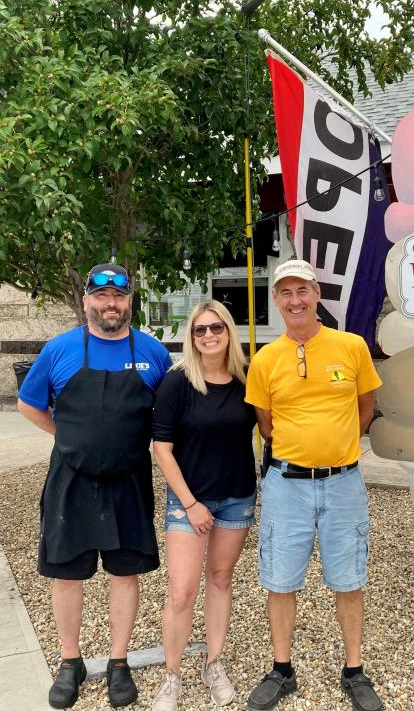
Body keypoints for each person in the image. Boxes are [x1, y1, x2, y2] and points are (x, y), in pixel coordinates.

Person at [17, 263, 172, 709]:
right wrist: (67, 437)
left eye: (119, 297)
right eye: (101, 297)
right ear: (87, 301)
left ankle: (119, 661)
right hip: (71, 479)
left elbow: (166, 416)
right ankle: (71, 662)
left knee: (124, 572)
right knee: (66, 575)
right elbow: (29, 405)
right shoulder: (59, 350)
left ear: (129, 302)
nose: (110, 305)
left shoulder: (153, 353)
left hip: (129, 480)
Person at [244, 259, 383, 711]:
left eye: (302, 290)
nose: (295, 300)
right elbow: (266, 425)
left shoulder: (352, 346)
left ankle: (354, 670)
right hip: (287, 485)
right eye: (285, 292)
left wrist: (334, 447)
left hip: (343, 482)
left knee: (349, 580)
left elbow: (365, 409)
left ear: (316, 293)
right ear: (276, 301)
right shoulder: (265, 359)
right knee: (280, 581)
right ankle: (282, 670)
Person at [149, 300, 257, 711]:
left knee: (221, 580)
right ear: (191, 338)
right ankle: (172, 675)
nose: (208, 336)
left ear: (229, 332)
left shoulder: (247, 379)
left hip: (237, 497)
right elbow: (162, 448)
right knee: (181, 592)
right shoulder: (178, 382)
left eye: (216, 328)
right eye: (200, 330)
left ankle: (214, 662)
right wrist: (191, 503)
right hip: (188, 500)